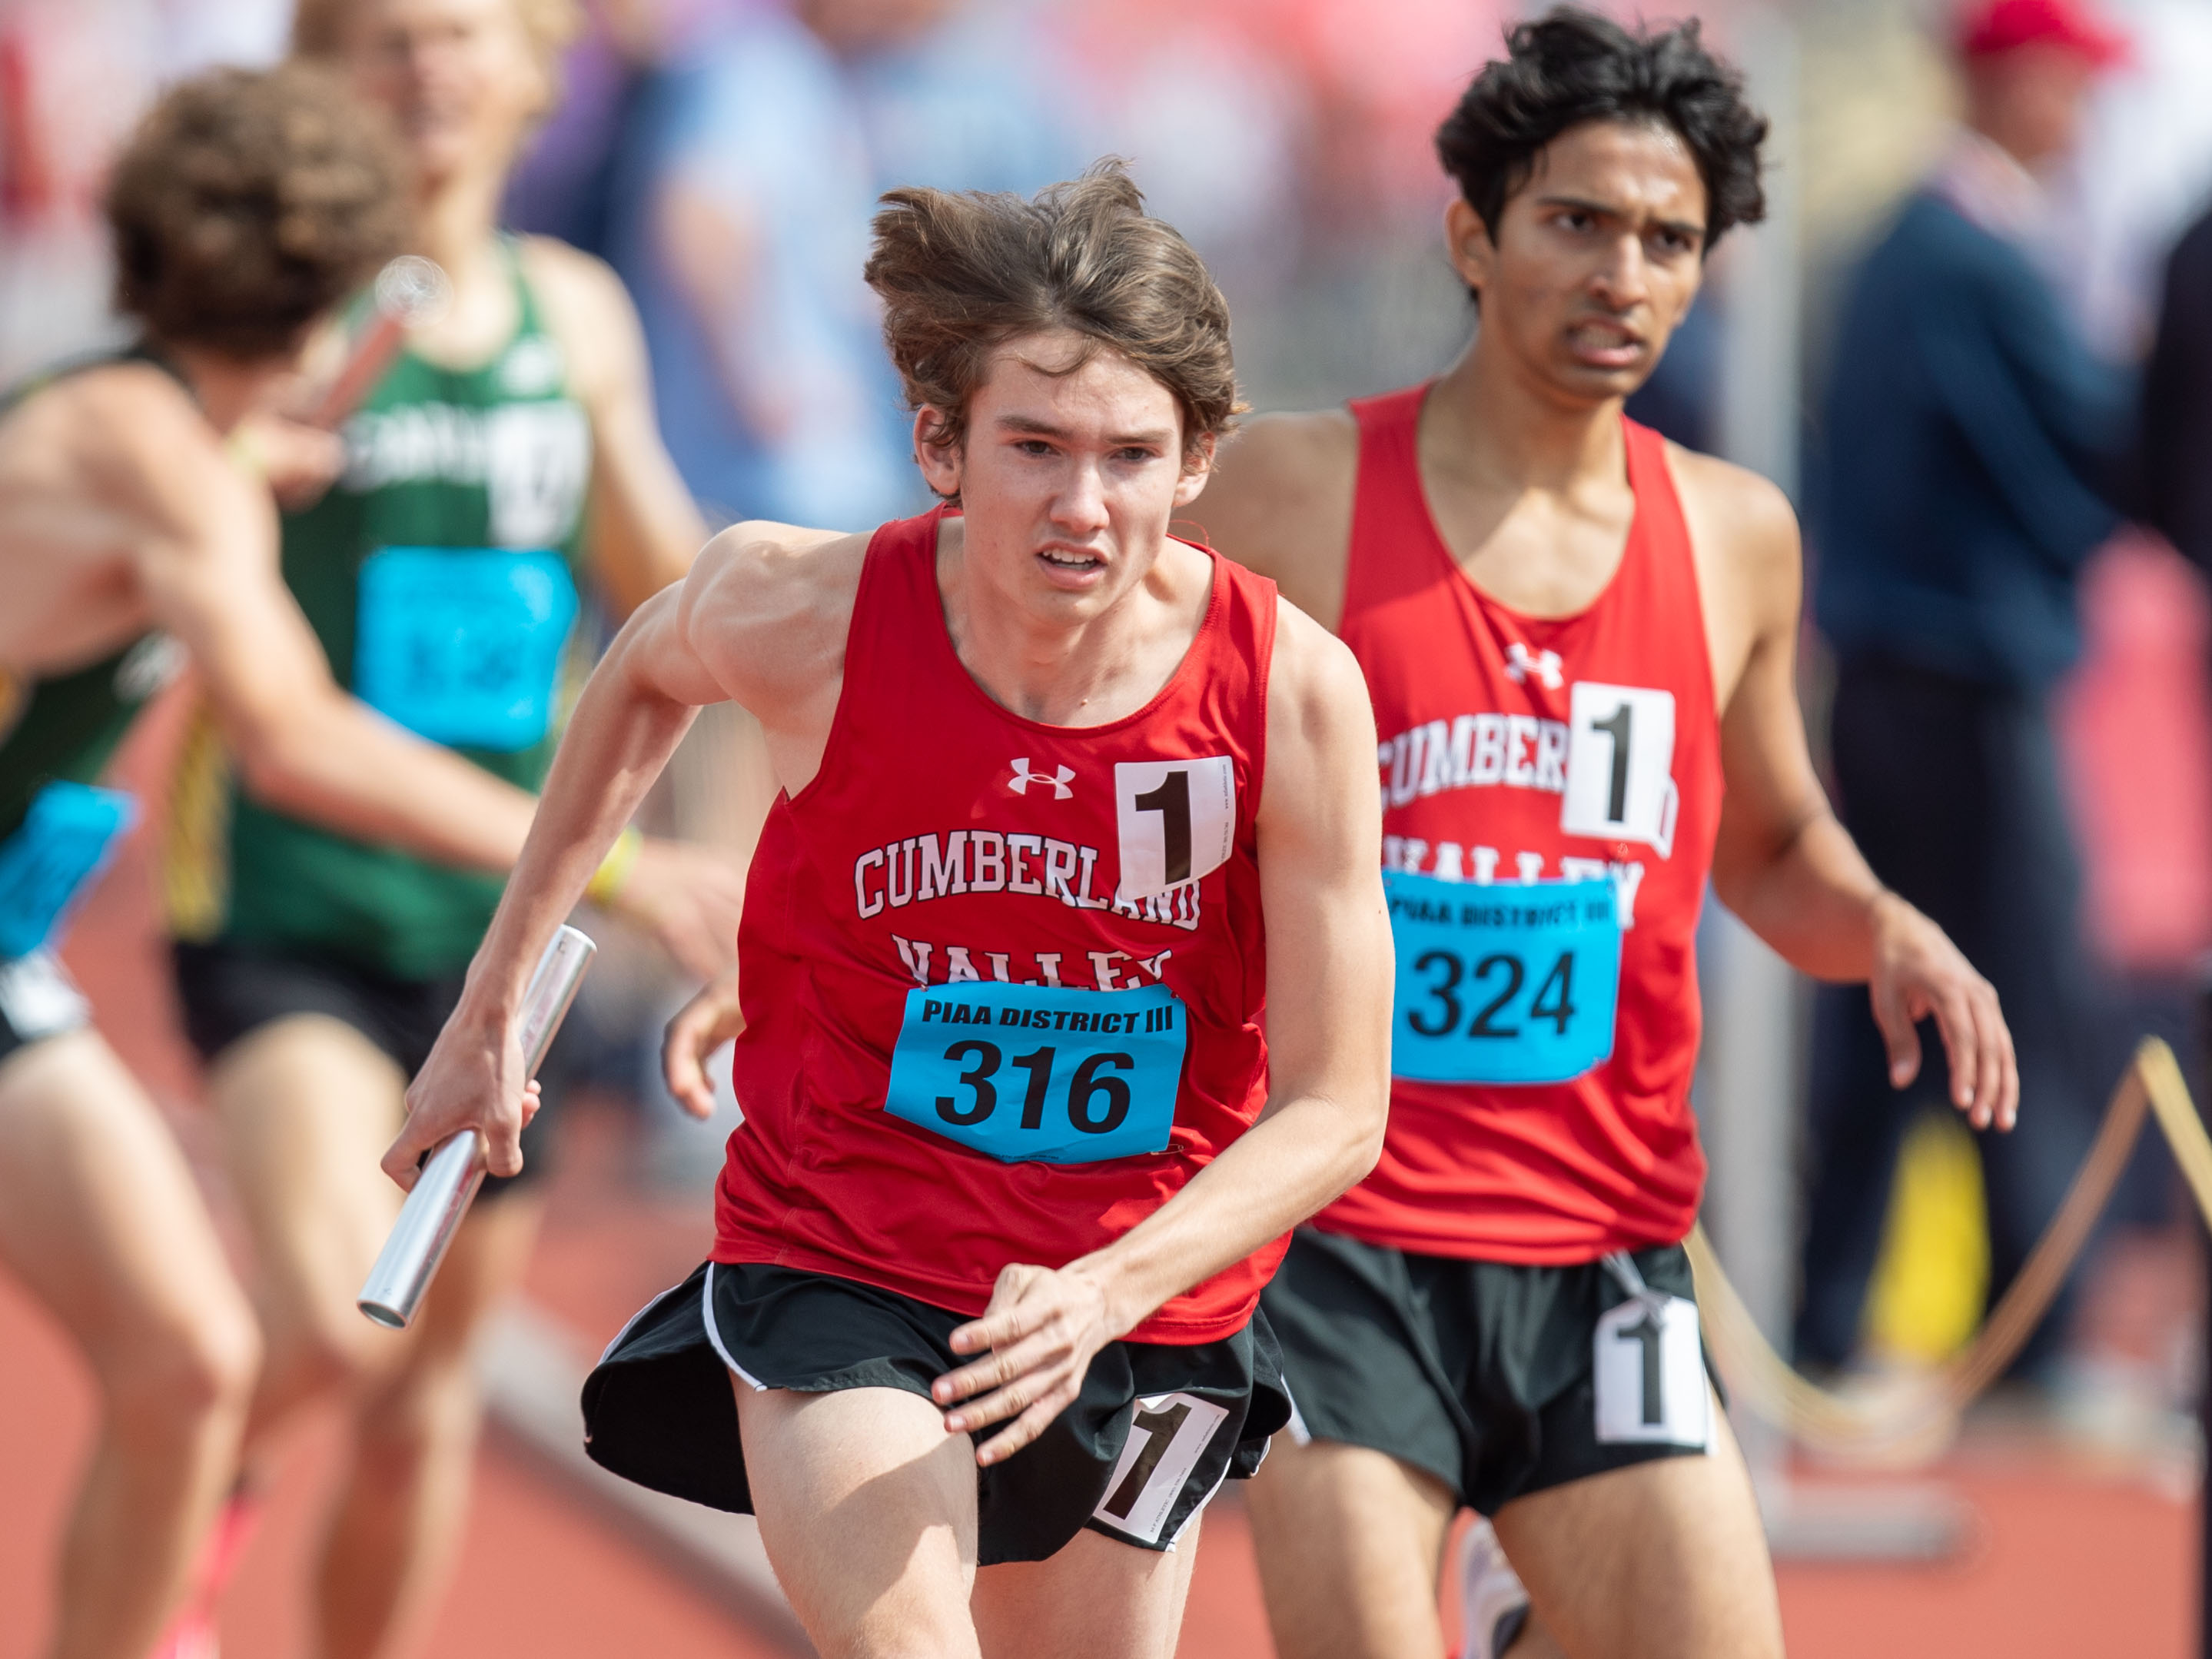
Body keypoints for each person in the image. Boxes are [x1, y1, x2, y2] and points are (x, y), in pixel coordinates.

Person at [391, 164, 1396, 1658]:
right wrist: (492, 1006)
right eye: (1032, 448)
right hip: (846, 1252)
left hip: (1143, 1306)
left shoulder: (1288, 689)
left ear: (1194, 461)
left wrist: (1101, 1287)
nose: (1079, 505)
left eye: (1128, 455)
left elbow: (1336, 1104)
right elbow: (642, 676)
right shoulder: (805, 609)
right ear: (940, 442)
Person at [1187, 12, 2021, 1658]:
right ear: (1469, 237)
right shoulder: (1292, 495)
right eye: (1573, 222)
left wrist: (1888, 924)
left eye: (1665, 238)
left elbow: (1773, 848)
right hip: (1332, 1242)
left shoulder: (1731, 537)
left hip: (1603, 1254)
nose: (1619, 274)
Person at [0, 63, 676, 1659]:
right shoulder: (147, 459)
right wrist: (626, 871)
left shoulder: (171, 438)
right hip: (261, 924)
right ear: (323, 308)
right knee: (228, 1342)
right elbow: (292, 733)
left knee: (189, 1359)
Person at [159, 2, 739, 1653]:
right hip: (291, 904)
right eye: (386, 39)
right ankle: (179, 1511)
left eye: (462, 34)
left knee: (423, 1401)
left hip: (505, 946)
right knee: (341, 1320)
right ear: (316, 79)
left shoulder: (573, 313)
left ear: (535, 69)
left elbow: (677, 595)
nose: (428, 71)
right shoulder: (280, 319)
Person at [1795, 0, 2130, 1383]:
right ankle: (2035, 1339)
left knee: (1888, 991)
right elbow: (2094, 447)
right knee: (2010, 996)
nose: (2085, 116)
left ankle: (1834, 1313)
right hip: (1963, 680)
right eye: (2070, 85)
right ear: (2013, 81)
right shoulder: (1971, 259)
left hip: (1899, 674)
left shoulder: (1908, 250)